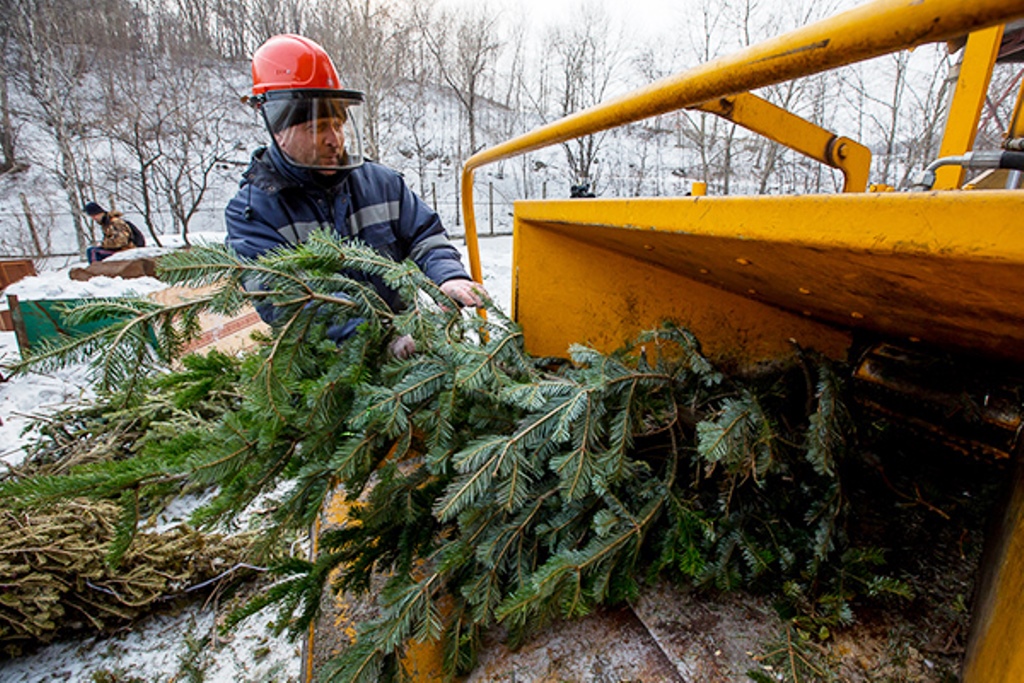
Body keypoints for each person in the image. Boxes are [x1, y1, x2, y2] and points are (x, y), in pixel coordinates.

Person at [225, 34, 486, 358]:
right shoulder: (253, 213)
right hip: (325, 370)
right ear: (278, 130)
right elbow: (288, 301)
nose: (334, 140)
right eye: (318, 128)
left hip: (407, 351)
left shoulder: (382, 184)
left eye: (338, 125)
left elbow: (426, 236)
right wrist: (379, 338)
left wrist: (447, 276)